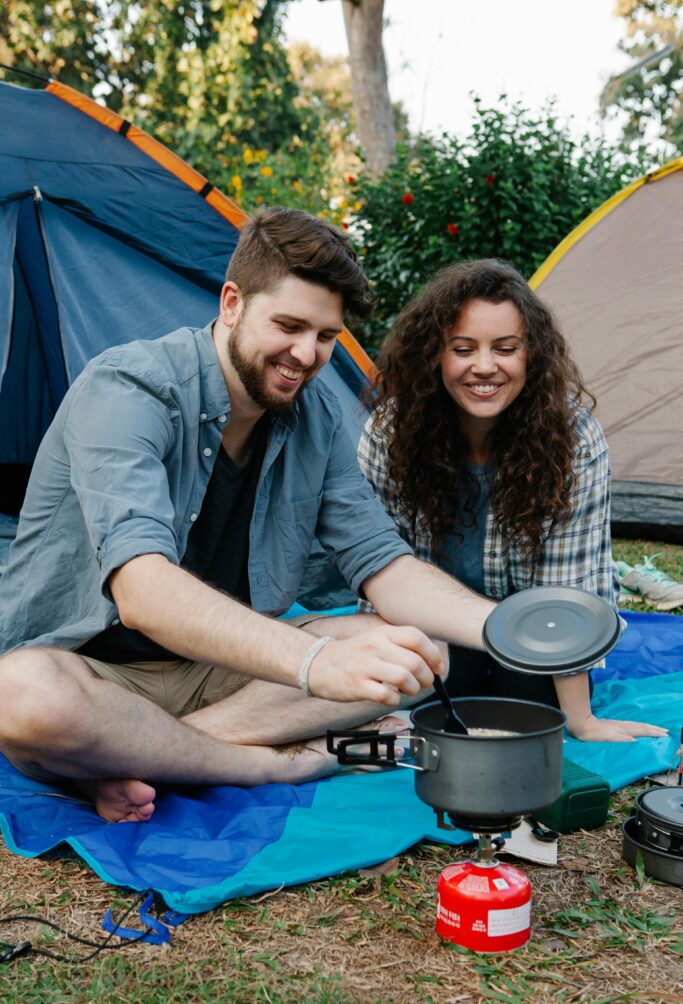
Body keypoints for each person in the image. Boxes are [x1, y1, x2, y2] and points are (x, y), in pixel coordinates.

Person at [0, 208, 495, 825]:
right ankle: (266, 763)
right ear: (232, 303)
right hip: (92, 670)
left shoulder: (313, 418)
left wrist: (509, 628)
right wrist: (316, 664)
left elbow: (382, 563)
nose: (307, 354)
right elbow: (143, 592)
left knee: (421, 653)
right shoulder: (128, 388)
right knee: (19, 696)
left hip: (221, 673)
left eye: (326, 336)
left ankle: (145, 757)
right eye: (289, 325)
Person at [358, 259, 667, 744]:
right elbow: (376, 569)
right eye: (463, 349)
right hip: (432, 635)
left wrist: (582, 722)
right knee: (433, 693)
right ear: (434, 356)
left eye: (506, 349)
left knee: (528, 702)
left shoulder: (574, 440)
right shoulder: (390, 433)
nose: (484, 367)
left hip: (538, 637)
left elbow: (571, 590)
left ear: (532, 356)